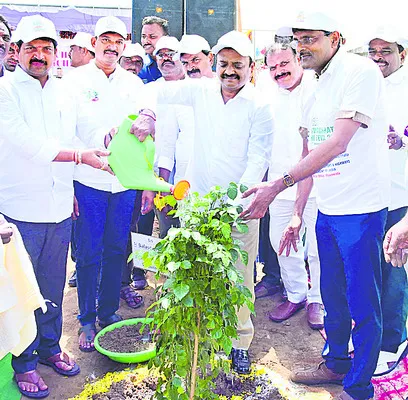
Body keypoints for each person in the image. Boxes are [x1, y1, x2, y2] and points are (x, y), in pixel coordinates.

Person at [241, 12, 389, 400]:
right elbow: (310, 153)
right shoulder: (315, 85)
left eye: (310, 39)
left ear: (334, 38)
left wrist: (277, 185)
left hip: (361, 208)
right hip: (328, 207)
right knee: (332, 292)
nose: (302, 47)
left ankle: (359, 386)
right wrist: (294, 213)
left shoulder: (360, 72)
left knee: (363, 301)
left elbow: (338, 143)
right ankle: (335, 363)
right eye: (298, 40)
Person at [139, 30, 274, 374]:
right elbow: (158, 93)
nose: (230, 71)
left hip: (240, 208)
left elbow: (258, 160)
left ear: (251, 67)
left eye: (238, 65)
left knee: (240, 277)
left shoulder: (260, 106)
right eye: (224, 64)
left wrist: (231, 203)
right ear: (215, 63)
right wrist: (146, 115)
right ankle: (201, 336)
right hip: (197, 207)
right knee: (197, 272)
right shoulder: (200, 91)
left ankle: (239, 343)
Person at [0, 14, 113, 398]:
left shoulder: (64, 92)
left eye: (46, 48)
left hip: (60, 206)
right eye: (31, 47)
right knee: (23, 290)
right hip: (20, 210)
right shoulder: (5, 92)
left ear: (55, 54)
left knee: (51, 285)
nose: (39, 55)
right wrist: (82, 156)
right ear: (16, 51)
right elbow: (29, 146)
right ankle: (24, 361)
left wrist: (109, 136)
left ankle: (49, 348)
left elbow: (87, 129)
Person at [64, 16, 147, 352]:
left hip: (124, 182)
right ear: (94, 44)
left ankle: (108, 312)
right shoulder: (74, 82)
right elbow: (66, 132)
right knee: (88, 252)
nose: (111, 47)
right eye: (105, 41)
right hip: (88, 180)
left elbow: (145, 121)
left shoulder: (133, 83)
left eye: (117, 42)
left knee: (116, 249)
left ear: (123, 45)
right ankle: (86, 319)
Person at [263, 42, 323, 329]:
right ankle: (296, 293)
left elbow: (309, 149)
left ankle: (317, 300)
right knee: (280, 240)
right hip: (279, 183)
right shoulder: (266, 93)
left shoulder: (315, 88)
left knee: (318, 247)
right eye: (273, 67)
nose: (279, 71)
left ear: (298, 60)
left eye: (284, 63)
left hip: (316, 184)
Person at [367, 25, 408, 375]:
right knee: (369, 270)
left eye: (387, 50)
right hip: (368, 193)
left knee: (393, 272)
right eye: (373, 50)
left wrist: (403, 141)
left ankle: (390, 344)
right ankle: (369, 337)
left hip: (400, 193)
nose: (379, 57)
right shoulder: (366, 81)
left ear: (402, 54)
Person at [138, 16, 168, 83]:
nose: (146, 41)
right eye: (143, 36)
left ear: (165, 38)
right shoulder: (138, 65)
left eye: (152, 37)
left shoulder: (178, 63)